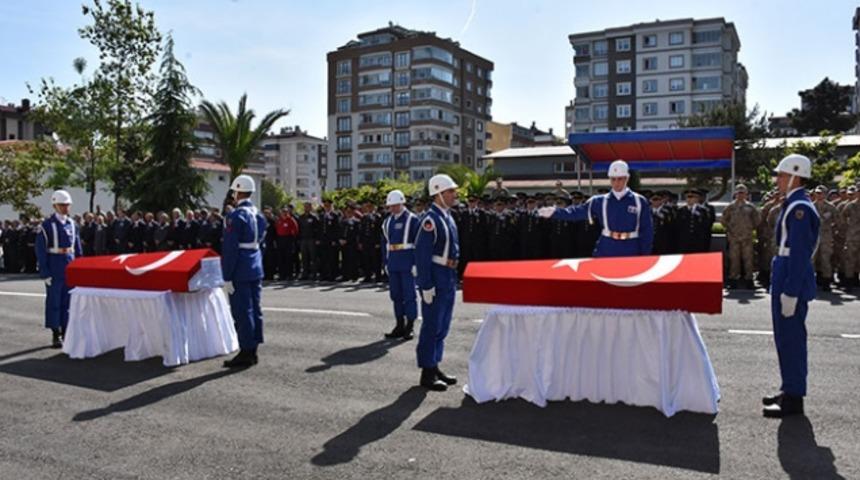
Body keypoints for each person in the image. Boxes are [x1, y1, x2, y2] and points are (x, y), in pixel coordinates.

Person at [763, 154, 820, 418]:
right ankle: (789, 389)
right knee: (785, 338)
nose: (778, 180)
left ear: (795, 175)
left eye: (782, 175)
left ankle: (794, 399)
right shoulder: (794, 203)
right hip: (785, 271)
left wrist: (791, 291)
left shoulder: (800, 208)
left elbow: (799, 253)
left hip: (791, 275)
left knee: (792, 340)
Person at [539, 160, 653, 257]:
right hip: (607, 247)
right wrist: (555, 212)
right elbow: (576, 213)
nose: (616, 183)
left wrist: (644, 255)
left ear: (627, 178)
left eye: (620, 179)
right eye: (613, 179)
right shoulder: (599, 201)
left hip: (631, 247)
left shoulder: (639, 201)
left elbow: (647, 230)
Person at [414, 174, 460, 391]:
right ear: (439, 193)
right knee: (432, 326)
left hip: (448, 276)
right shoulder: (430, 220)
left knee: (443, 326)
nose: (454, 194)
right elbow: (422, 255)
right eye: (450, 191)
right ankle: (427, 372)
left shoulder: (447, 216)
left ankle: (435, 365)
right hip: (436, 276)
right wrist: (425, 285)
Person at [221, 175, 267, 368]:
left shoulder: (236, 215)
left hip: (240, 267)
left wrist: (227, 275)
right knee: (255, 309)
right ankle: (254, 348)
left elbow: (230, 248)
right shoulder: (258, 214)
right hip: (255, 265)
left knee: (242, 311)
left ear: (236, 192)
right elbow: (262, 241)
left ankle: (246, 351)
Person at [35, 190, 82, 348]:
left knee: (69, 301)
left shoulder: (72, 224)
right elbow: (41, 250)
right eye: (62, 205)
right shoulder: (46, 226)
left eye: (67, 205)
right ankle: (56, 333)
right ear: (55, 205)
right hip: (55, 266)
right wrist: (45, 272)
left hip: (70, 264)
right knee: (54, 301)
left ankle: (68, 330)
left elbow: (77, 248)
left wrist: (80, 268)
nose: (65, 208)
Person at [381, 189, 420, 340]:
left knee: (409, 295)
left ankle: (409, 326)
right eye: (391, 206)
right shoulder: (387, 221)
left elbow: (418, 244)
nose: (393, 208)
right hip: (394, 262)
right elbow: (385, 244)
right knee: (395, 295)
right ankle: (399, 324)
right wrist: (385, 262)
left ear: (402, 203)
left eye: (395, 205)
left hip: (407, 262)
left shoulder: (413, 219)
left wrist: (416, 263)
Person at [721, 184, 761, 289]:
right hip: (734, 238)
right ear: (735, 194)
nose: (740, 195)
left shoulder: (751, 207)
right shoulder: (730, 207)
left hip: (747, 238)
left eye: (742, 193)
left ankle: (749, 280)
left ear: (746, 194)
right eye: (739, 192)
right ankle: (733, 279)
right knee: (734, 259)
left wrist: (749, 228)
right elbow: (724, 220)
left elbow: (757, 220)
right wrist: (730, 230)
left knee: (748, 259)